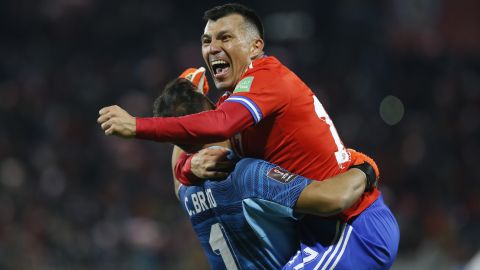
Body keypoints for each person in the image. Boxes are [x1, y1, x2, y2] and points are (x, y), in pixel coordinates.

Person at [97, 3, 399, 268]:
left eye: (225, 37)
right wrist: (189, 166)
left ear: (255, 46)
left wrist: (139, 127)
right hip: (320, 233)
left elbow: (218, 126)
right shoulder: (236, 120)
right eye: (206, 41)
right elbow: (202, 135)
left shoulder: (267, 80)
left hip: (354, 223)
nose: (213, 47)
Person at [154, 78, 381, 269]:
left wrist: (186, 155)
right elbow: (333, 199)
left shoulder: (185, 192)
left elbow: (181, 141)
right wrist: (364, 169)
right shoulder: (249, 176)